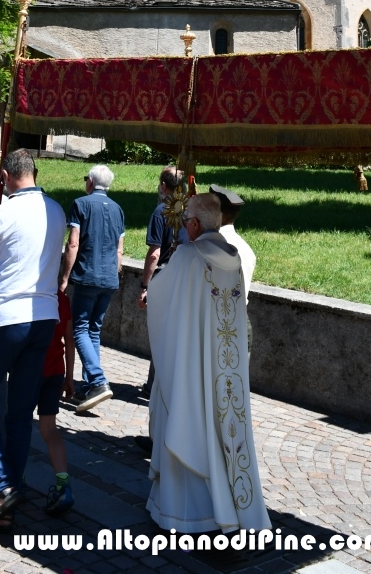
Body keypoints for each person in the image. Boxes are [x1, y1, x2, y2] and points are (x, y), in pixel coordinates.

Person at [146, 192, 270, 535]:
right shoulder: (233, 256)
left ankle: (184, 515)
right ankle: (228, 507)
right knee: (223, 434)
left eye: (186, 223)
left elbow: (158, 296)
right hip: (225, 369)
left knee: (186, 418)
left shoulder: (188, 256)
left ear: (196, 224)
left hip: (189, 363)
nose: (185, 229)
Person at [0, 148, 67, 530]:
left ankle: (0, 483)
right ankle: (11, 493)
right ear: (35, 172)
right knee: (21, 414)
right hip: (43, 317)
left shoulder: (3, 212)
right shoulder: (57, 210)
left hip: (7, 316)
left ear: (5, 177)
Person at [61, 164, 125, 414]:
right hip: (109, 277)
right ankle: (90, 385)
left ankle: (97, 380)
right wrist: (115, 274)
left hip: (87, 275)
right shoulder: (119, 209)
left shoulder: (81, 204)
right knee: (94, 331)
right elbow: (119, 250)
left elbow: (73, 243)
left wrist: (65, 277)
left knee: (79, 329)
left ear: (90, 182)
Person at [137, 166, 183, 402]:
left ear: (164, 186)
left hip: (164, 280)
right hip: (185, 280)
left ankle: (155, 386)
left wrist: (145, 285)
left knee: (160, 335)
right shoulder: (189, 210)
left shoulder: (161, 211)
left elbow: (155, 254)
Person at [37, 287, 76, 515]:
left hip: (30, 370)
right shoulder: (62, 299)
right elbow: (69, 339)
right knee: (50, 429)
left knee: (18, 425)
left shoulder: (34, 296)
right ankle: (64, 486)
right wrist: (69, 377)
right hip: (55, 371)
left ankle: (15, 481)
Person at [210, 183, 256, 355]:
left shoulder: (213, 246)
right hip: (240, 321)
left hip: (218, 323)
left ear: (217, 214)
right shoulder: (246, 248)